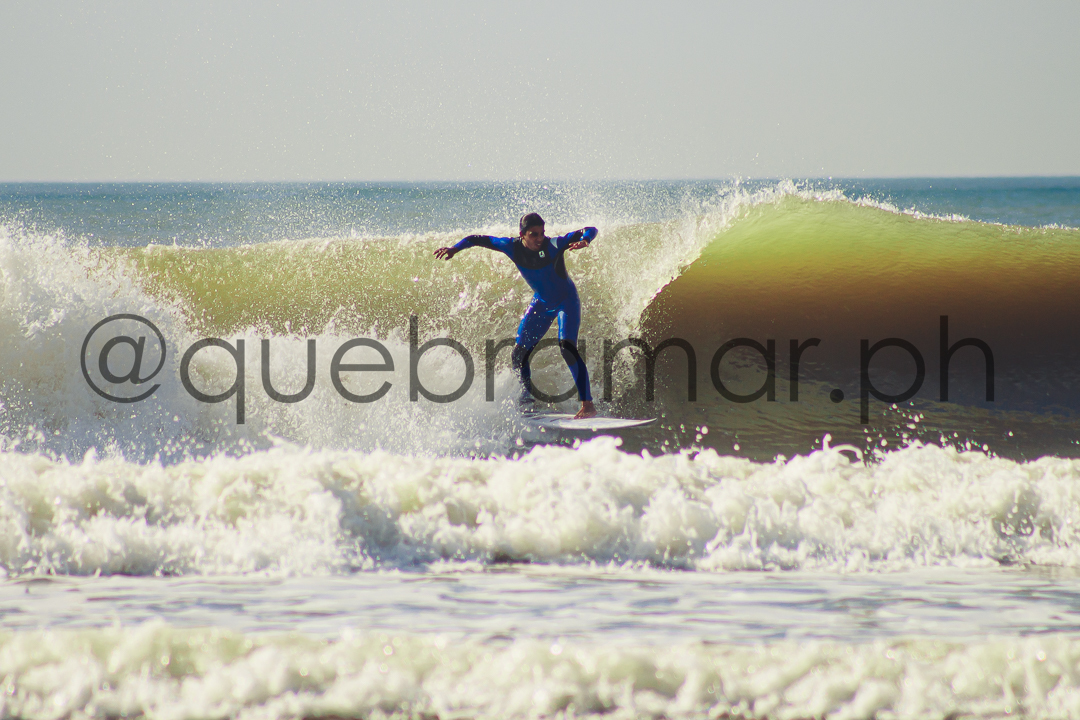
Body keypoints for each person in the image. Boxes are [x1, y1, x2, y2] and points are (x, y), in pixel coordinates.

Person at [434, 213, 598, 419]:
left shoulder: (554, 245)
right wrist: (455, 249)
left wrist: (585, 240)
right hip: (542, 302)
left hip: (566, 300)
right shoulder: (510, 246)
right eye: (534, 234)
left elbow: (590, 229)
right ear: (522, 235)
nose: (540, 238)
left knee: (567, 347)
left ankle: (587, 405)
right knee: (519, 354)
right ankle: (527, 401)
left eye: (542, 233)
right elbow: (476, 239)